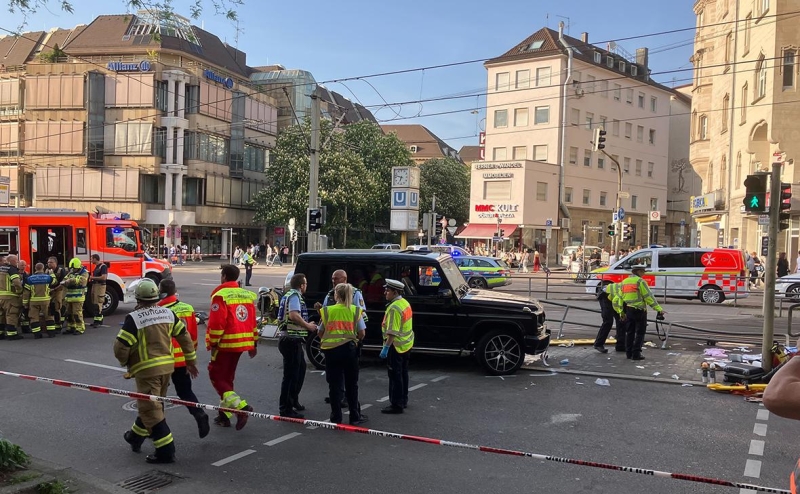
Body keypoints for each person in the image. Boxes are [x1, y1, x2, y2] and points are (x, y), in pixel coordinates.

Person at [115, 279, 198, 464]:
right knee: (153, 405)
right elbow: (185, 337)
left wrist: (125, 363)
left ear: (138, 298)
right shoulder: (168, 313)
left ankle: (166, 451)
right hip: (167, 367)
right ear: (156, 296)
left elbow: (120, 347)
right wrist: (190, 361)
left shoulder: (134, 319)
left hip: (147, 370)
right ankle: (134, 437)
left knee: (151, 409)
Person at [207, 264, 258, 430]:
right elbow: (252, 321)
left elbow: (217, 324)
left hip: (225, 344)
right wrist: (253, 343)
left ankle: (241, 409)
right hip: (242, 343)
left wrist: (213, 343)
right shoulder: (247, 295)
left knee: (217, 376)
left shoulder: (220, 295)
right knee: (227, 378)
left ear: (223, 276)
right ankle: (224, 416)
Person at [157, 280, 210, 439]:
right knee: (185, 391)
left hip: (163, 360)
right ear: (175, 291)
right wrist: (190, 360)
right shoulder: (188, 308)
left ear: (161, 292)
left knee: (156, 396)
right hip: (182, 359)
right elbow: (192, 337)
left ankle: (154, 430)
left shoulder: (158, 310)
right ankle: (199, 413)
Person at [314, 269, 368, 407]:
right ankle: (338, 396)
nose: (333, 281)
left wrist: (355, 339)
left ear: (344, 279)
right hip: (333, 344)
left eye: (336, 279)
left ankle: (343, 400)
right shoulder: (330, 294)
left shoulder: (355, 293)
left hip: (347, 341)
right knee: (334, 376)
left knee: (348, 376)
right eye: (332, 279)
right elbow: (326, 316)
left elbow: (361, 315)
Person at [276, 273, 318, 418]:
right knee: (291, 375)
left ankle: (293, 401)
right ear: (301, 285)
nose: (306, 286)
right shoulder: (294, 296)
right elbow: (294, 315)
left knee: (300, 370)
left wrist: (306, 325)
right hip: (290, 340)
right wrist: (308, 326)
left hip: (293, 339)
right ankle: (285, 408)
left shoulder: (290, 295)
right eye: (305, 284)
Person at [379, 279, 414, 414]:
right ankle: (403, 399)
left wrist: (386, 348)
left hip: (396, 346)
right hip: (406, 345)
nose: (385, 293)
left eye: (387, 290)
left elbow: (392, 332)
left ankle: (396, 404)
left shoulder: (394, 307)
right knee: (403, 374)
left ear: (395, 292)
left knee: (395, 375)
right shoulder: (404, 303)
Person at [617, 264, 665, 361]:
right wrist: (658, 309)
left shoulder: (624, 282)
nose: (644, 274)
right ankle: (636, 354)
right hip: (639, 311)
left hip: (629, 310)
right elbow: (648, 297)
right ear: (638, 272)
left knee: (630, 332)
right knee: (640, 333)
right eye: (643, 272)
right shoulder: (640, 282)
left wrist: (621, 312)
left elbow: (619, 298)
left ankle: (629, 353)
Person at [23, 263, 57, 339]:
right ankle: (51, 333)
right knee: (49, 317)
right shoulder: (47, 277)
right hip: (46, 301)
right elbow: (54, 281)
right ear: (43, 268)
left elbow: (26, 293)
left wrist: (25, 304)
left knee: (34, 318)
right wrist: (52, 274)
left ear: (35, 268)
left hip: (34, 301)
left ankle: (37, 335)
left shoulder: (29, 279)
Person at [592, 282, 626, 353]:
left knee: (621, 321)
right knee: (608, 321)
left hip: (611, 295)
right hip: (605, 295)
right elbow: (615, 301)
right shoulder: (628, 292)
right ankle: (598, 344)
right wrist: (621, 313)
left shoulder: (632, 292)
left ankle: (621, 345)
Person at [63, 258, 88, 335]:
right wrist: (66, 281)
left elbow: (82, 281)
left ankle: (80, 328)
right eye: (72, 268)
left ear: (78, 267)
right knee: (69, 314)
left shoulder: (84, 273)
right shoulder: (71, 272)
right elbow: (65, 278)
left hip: (78, 297)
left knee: (77, 313)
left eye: (74, 268)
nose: (72, 269)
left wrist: (71, 281)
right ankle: (71, 327)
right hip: (69, 297)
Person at [0, 255, 22, 340]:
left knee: (1, 315)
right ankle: (12, 334)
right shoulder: (11, 269)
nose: (17, 262)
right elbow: (16, 282)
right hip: (10, 297)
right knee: (11, 314)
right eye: (16, 260)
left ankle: (1, 334)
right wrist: (19, 291)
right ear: (11, 261)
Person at [46, 257, 67, 333]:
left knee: (57, 306)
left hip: (59, 290)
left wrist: (54, 289)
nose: (49, 264)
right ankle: (54, 323)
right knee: (50, 307)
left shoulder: (61, 270)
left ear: (55, 263)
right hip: (50, 291)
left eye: (51, 262)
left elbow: (63, 283)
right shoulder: (47, 271)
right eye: (48, 262)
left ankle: (58, 325)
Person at [89, 254, 107, 327]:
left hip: (100, 286)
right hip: (95, 286)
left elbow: (103, 277)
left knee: (98, 303)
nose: (91, 260)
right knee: (94, 303)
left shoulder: (103, 266)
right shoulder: (96, 267)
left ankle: (99, 321)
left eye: (91, 259)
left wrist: (92, 278)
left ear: (95, 259)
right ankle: (96, 320)